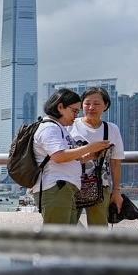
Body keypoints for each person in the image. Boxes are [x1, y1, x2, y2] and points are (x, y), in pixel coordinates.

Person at [34, 88, 112, 226]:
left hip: (64, 188)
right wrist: (90, 147)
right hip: (56, 187)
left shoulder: (60, 128)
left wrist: (89, 156)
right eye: (74, 110)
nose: (76, 115)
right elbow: (58, 156)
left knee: (65, 238)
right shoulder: (50, 128)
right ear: (60, 107)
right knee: (57, 238)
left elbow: (65, 157)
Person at [71, 87, 126, 228]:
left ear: (106, 105)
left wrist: (116, 191)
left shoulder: (112, 129)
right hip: (71, 184)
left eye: (96, 104)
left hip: (101, 186)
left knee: (99, 228)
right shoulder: (71, 125)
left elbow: (116, 162)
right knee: (67, 225)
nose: (91, 107)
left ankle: (97, 251)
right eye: (87, 103)